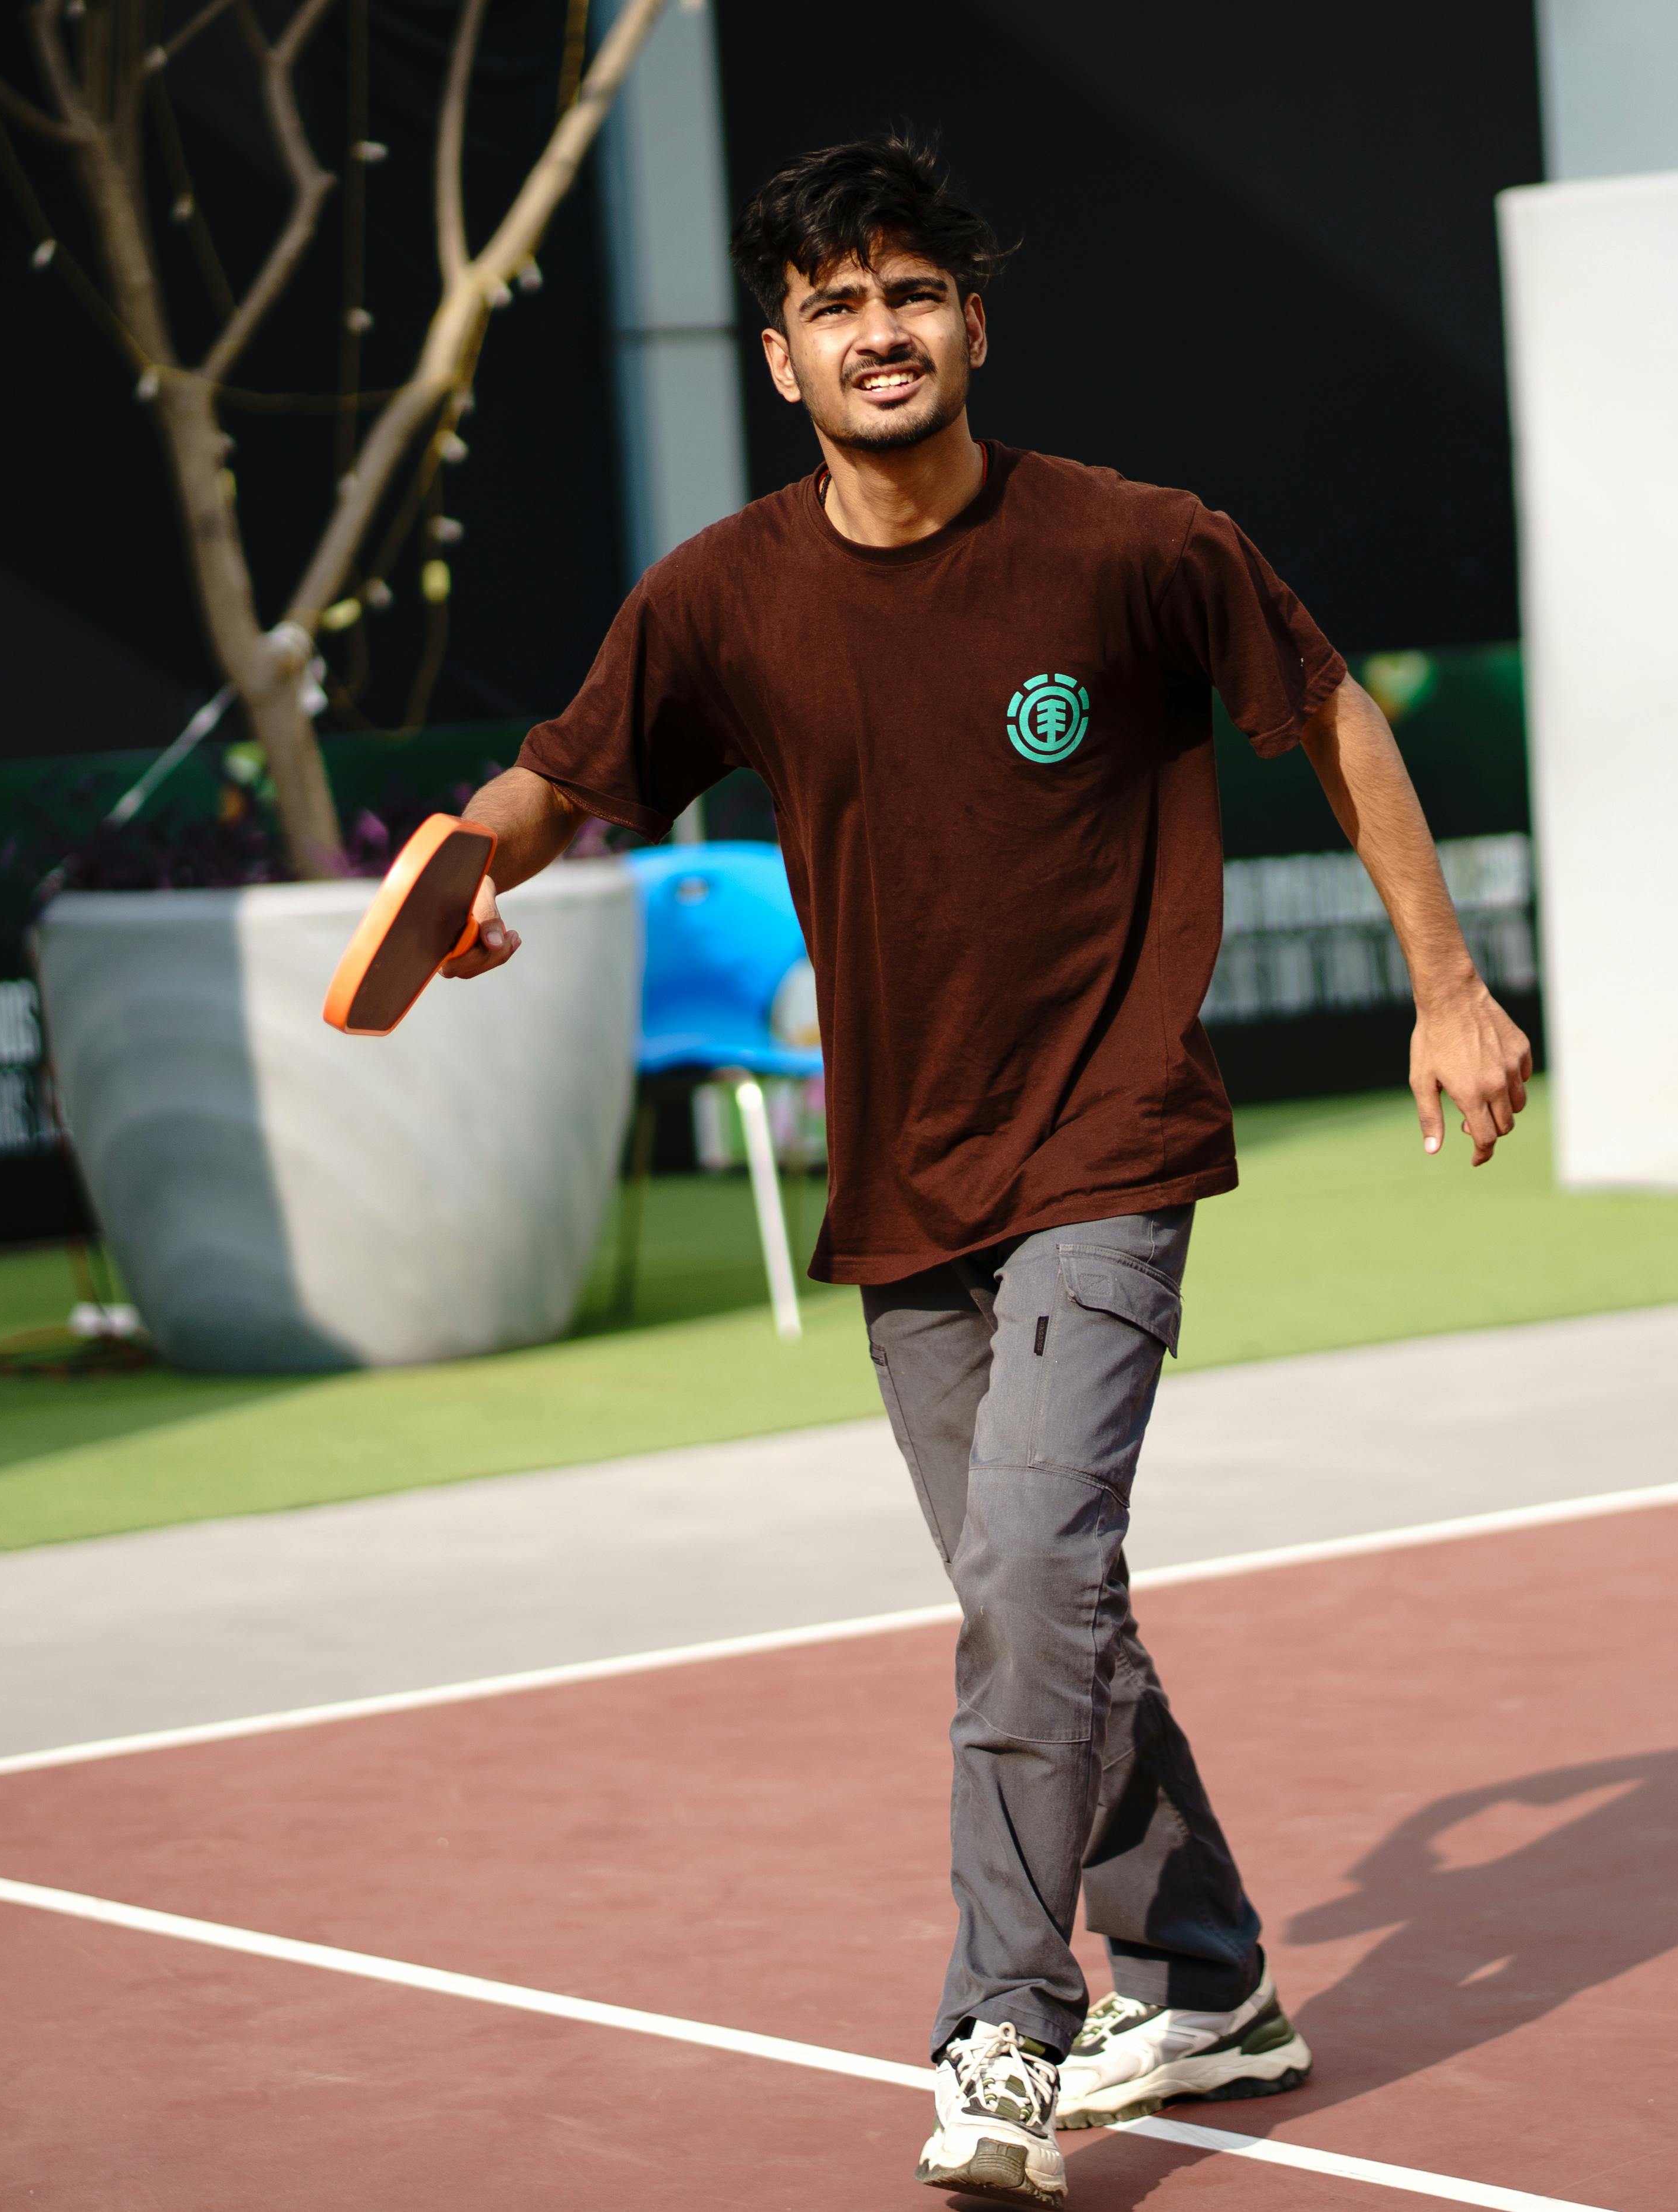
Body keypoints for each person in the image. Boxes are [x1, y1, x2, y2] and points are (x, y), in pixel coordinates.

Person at [442, 138, 1531, 2207]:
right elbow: (569, 771)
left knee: (1030, 1580)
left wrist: (1447, 987)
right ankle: (1208, 1981)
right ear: (781, 356)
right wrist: (464, 870)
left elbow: (1333, 711)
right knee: (1042, 1605)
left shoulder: (1133, 547)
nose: (883, 332)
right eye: (838, 305)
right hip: (906, 1180)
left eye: (914, 291)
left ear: (974, 323)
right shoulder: (726, 594)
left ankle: (1002, 2032)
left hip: (1109, 1141)